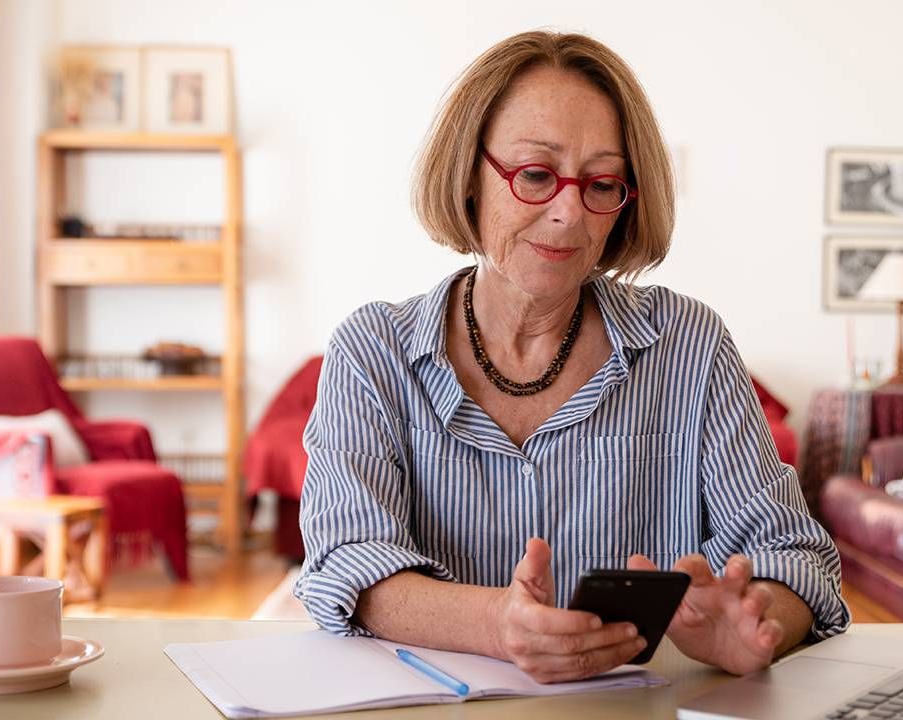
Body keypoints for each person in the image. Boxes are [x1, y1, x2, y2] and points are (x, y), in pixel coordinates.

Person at [295, 30, 849, 683]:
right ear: (469, 175)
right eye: (535, 175)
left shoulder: (690, 346)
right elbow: (346, 562)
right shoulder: (372, 351)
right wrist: (496, 624)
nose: (568, 214)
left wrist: (758, 622)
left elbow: (793, 557)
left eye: (602, 183)